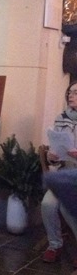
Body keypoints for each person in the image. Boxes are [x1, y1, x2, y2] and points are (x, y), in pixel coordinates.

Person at [40, 81, 77, 263]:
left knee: (66, 207)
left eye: (75, 92)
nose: (70, 95)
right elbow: (54, 152)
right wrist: (52, 156)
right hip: (65, 173)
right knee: (47, 204)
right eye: (69, 92)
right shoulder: (61, 118)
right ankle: (55, 244)